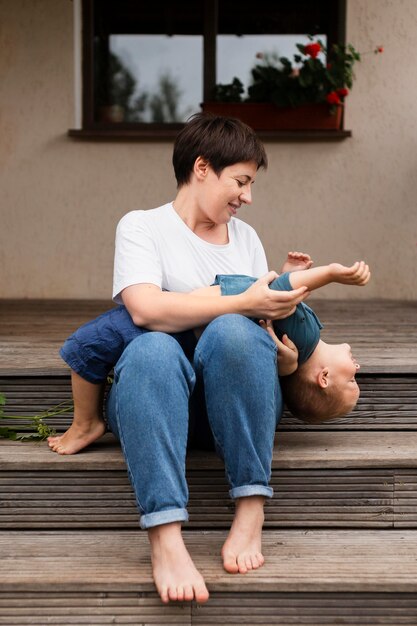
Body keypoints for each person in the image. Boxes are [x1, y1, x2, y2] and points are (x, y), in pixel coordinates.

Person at [49, 113, 310, 605]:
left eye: (251, 185)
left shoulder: (247, 239)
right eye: (241, 181)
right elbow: (145, 308)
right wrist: (240, 302)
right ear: (202, 167)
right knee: (150, 346)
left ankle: (251, 508)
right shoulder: (142, 226)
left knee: (234, 333)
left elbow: (259, 333)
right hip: (154, 407)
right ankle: (166, 538)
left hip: (230, 410)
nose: (247, 197)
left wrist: (283, 358)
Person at [48, 258, 369, 458]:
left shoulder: (303, 340)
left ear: (323, 378)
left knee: (88, 344)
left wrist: (331, 274)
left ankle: (86, 422)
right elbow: (281, 298)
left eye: (352, 377)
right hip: (189, 326)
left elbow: (282, 289)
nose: (358, 367)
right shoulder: (294, 351)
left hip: (181, 323)